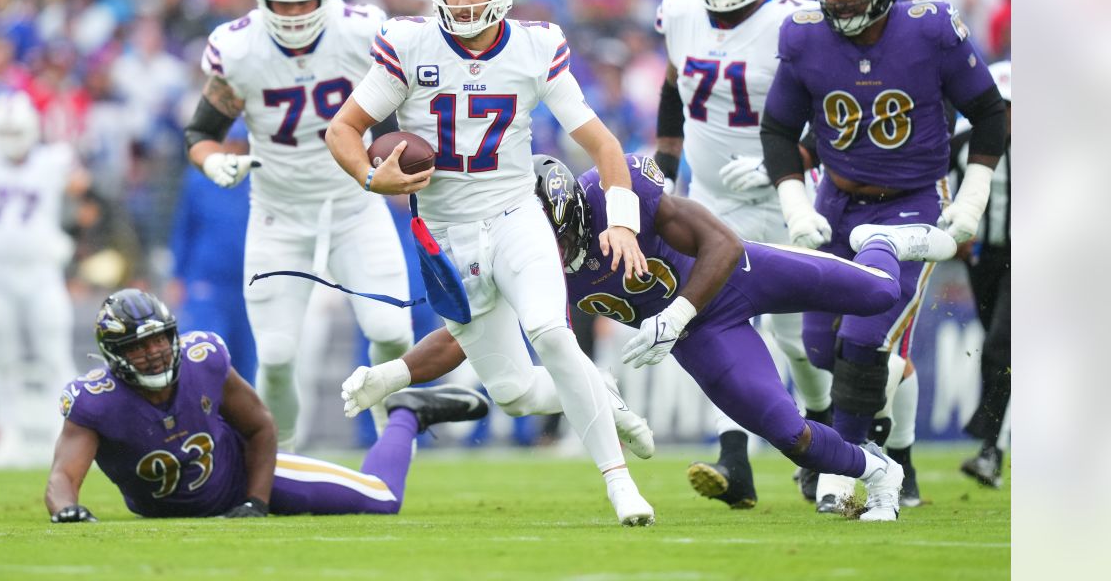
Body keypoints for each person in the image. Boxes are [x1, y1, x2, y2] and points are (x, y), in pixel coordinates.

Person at [344, 154, 956, 522]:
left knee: (878, 293)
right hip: (701, 336)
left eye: (552, 237)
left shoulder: (616, 194)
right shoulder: (518, 251)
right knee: (785, 431)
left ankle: (885, 240)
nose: (548, 255)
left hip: (736, 279)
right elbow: (464, 337)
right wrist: (394, 374)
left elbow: (725, 244)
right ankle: (878, 473)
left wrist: (677, 312)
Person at [324, 0, 656, 526]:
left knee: (552, 334)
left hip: (514, 215)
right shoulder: (410, 44)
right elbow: (342, 131)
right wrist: (372, 181)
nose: (465, 0)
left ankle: (620, 484)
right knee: (517, 393)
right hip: (448, 237)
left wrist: (625, 224)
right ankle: (599, 390)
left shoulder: (535, 48)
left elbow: (603, 145)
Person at [760, 0, 1007, 511]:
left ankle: (846, 476)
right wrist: (795, 200)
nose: (841, 0)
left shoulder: (931, 31)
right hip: (839, 201)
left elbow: (991, 114)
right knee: (822, 344)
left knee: (866, 337)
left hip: (913, 203)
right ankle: (897, 458)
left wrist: (971, 198)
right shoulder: (803, 36)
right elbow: (777, 128)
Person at [183, 0, 413, 450]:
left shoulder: (362, 32)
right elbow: (200, 134)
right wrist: (214, 160)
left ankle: (392, 433)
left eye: (305, 0)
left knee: (393, 332)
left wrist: (394, 156)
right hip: (279, 214)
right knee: (279, 354)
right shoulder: (238, 48)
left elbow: (396, 111)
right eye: (283, 3)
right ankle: (276, 453)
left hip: (356, 205)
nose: (294, 13)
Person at [654, 0, 835, 509]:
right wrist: (665, 162)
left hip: (781, 193)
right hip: (709, 200)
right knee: (713, 325)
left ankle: (819, 421)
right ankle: (736, 460)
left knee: (796, 340)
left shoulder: (791, 24)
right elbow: (673, 85)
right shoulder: (680, 12)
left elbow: (832, 108)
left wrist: (788, 159)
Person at [45, 289, 487, 522]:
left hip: (245, 476)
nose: (156, 352)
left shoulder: (204, 359)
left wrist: (256, 500)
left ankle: (405, 414)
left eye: (161, 339)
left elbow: (259, 427)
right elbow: (63, 475)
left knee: (381, 498)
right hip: (178, 503)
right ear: (115, 353)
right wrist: (66, 509)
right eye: (139, 346)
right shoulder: (95, 402)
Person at [0, 91, 90, 466]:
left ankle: (62, 435)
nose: (12, 140)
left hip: (41, 273)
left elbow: (84, 188)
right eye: (5, 131)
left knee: (55, 356)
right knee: (3, 360)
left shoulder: (52, 161)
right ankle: (8, 436)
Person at [954, 60, 1011, 488]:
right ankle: (994, 447)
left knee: (999, 346)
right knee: (998, 347)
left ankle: (989, 446)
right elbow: (941, 188)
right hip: (982, 258)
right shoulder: (962, 142)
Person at [168, 120, 256, 384]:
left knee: (246, 365)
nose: (233, 149)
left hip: (249, 285)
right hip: (208, 280)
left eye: (239, 143)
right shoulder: (199, 179)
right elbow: (184, 228)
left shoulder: (258, 179)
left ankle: (240, 425)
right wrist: (177, 275)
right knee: (203, 358)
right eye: (229, 143)